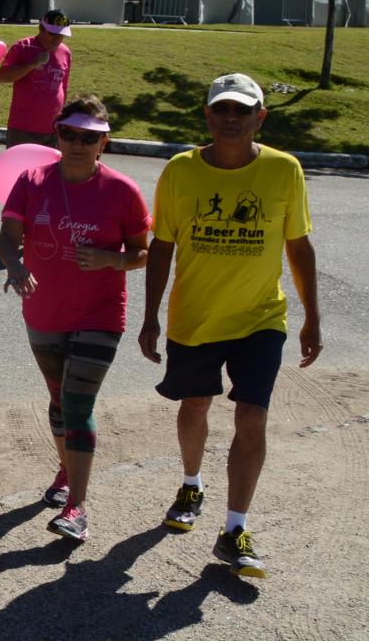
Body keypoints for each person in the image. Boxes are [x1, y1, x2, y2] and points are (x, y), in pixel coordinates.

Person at [139, 73, 321, 579]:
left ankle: (235, 527)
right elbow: (162, 246)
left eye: (242, 110)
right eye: (222, 110)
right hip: (195, 317)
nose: (231, 119)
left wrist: (312, 318)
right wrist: (151, 316)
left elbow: (299, 246)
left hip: (262, 317)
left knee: (252, 416)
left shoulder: (285, 170)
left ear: (260, 116)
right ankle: (191, 484)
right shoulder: (180, 171)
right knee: (195, 404)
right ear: (208, 115)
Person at [0, 96, 151, 542]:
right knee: (59, 398)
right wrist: (15, 266)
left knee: (78, 402)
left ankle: (77, 506)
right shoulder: (32, 180)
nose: (79, 144)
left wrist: (112, 260)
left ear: (104, 142)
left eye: (90, 137)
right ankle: (66, 470)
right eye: (70, 134)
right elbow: (8, 238)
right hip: (44, 308)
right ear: (57, 135)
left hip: (100, 312)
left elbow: (144, 252)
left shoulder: (122, 191)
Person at [0, 9, 74, 147]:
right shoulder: (23, 46)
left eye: (61, 35)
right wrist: (31, 65)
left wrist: (62, 119)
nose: (57, 38)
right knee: (20, 168)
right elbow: (3, 77)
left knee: (51, 169)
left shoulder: (65, 52)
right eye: (53, 34)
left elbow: (63, 86)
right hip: (23, 129)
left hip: (53, 130)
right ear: (41, 28)